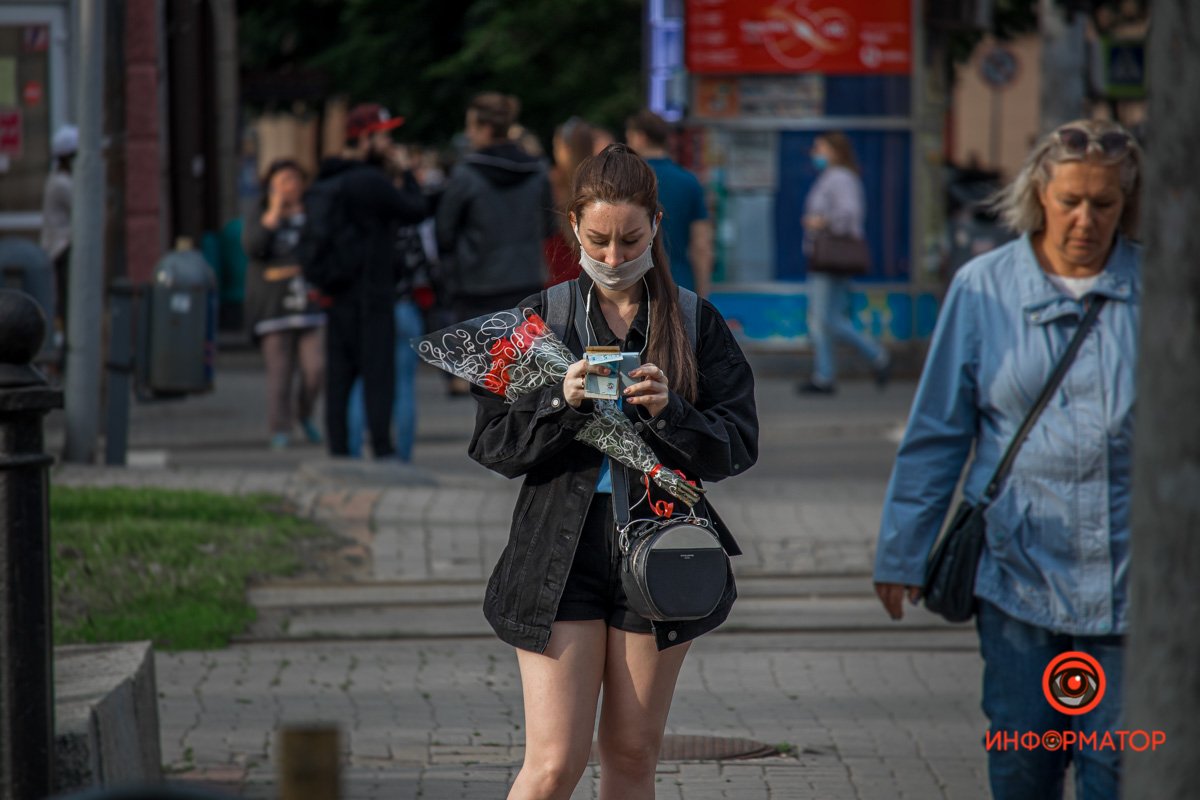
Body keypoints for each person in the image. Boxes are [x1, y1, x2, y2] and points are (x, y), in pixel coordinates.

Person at [468, 144, 758, 799]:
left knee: (630, 753)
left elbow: (737, 445)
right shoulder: (541, 317)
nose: (613, 254)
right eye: (597, 239)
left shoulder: (691, 321)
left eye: (630, 239)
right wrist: (558, 401)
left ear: (656, 224)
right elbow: (491, 442)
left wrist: (672, 411)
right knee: (552, 765)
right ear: (573, 227)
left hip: (659, 548)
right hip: (557, 552)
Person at [873, 119, 1142, 800]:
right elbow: (938, 432)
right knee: (1026, 768)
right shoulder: (983, 289)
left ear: (1126, 204)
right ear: (1040, 196)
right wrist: (902, 553)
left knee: (1121, 769)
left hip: (1132, 584)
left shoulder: (1160, 292)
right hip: (1018, 579)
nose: (1086, 219)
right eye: (1070, 200)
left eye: (1104, 204)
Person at [309, 103, 427, 457]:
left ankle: (340, 452)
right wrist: (405, 173)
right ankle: (382, 448)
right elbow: (415, 209)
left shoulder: (328, 179)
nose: (390, 143)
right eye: (385, 135)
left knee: (340, 378)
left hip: (337, 293)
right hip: (372, 294)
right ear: (366, 138)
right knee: (378, 376)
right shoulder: (370, 182)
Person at [436, 92, 556, 321]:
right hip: (527, 279)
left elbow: (444, 232)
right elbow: (549, 225)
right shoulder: (537, 171)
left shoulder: (466, 175)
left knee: (479, 356)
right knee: (522, 354)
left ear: (486, 128)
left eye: (471, 127)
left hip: (477, 286)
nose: (468, 134)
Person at [242, 159, 326, 449]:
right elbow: (253, 246)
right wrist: (275, 211)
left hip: (308, 304)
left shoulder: (312, 213)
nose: (289, 186)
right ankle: (280, 426)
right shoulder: (262, 212)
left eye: (293, 179)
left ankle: (304, 414)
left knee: (315, 369)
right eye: (281, 181)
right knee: (279, 372)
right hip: (272, 307)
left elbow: (322, 248)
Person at [799, 132, 890, 395]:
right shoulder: (839, 177)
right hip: (831, 257)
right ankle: (837, 370)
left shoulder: (839, 178)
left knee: (822, 319)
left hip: (829, 257)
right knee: (832, 317)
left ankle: (834, 372)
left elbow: (849, 213)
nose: (815, 152)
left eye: (820, 147)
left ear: (835, 151)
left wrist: (821, 221)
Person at [624, 110, 712, 297]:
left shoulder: (625, 180)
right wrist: (703, 296)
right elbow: (701, 245)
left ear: (640, 137)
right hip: (679, 284)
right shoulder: (689, 181)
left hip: (634, 285)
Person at [544, 117, 594, 286]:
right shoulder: (600, 182)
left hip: (557, 265)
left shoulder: (553, 182)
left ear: (565, 148)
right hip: (591, 269)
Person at [40, 125, 77, 334]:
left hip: (60, 247)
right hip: (61, 249)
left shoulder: (58, 180)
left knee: (66, 301)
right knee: (66, 302)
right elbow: (82, 208)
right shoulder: (61, 184)